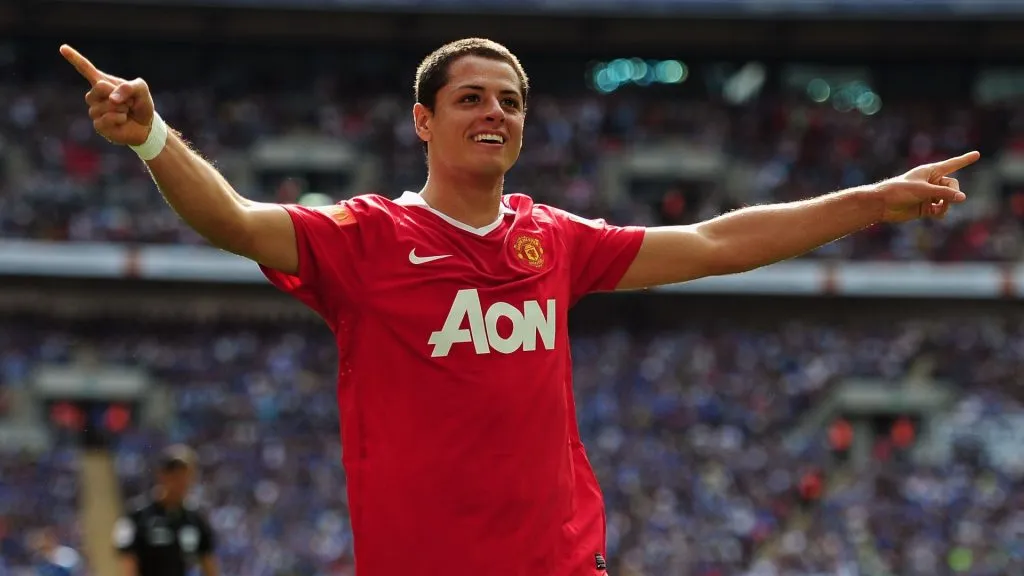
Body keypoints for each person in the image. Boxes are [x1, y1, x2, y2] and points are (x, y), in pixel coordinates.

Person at [60, 38, 977, 576]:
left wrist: (870, 200)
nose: (493, 112)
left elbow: (714, 243)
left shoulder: (556, 239)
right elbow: (231, 219)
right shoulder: (365, 238)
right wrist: (150, 135)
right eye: (469, 99)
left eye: (509, 100)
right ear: (424, 121)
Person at [112, 445, 218, 576]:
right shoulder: (137, 516)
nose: (184, 483)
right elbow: (127, 563)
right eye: (178, 476)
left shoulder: (196, 520)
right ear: (162, 475)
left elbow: (209, 564)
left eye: (188, 476)